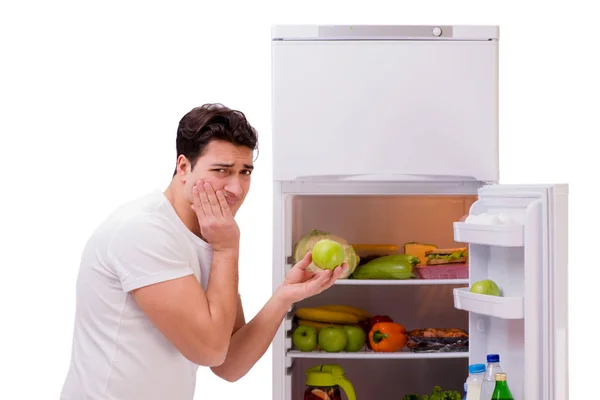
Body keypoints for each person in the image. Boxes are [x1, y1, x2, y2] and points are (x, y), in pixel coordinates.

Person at [60, 103, 348, 399]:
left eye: (245, 171)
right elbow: (210, 351)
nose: (236, 187)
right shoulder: (143, 232)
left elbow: (229, 363)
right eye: (222, 170)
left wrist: (285, 294)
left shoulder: (209, 233)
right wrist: (226, 248)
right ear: (184, 167)